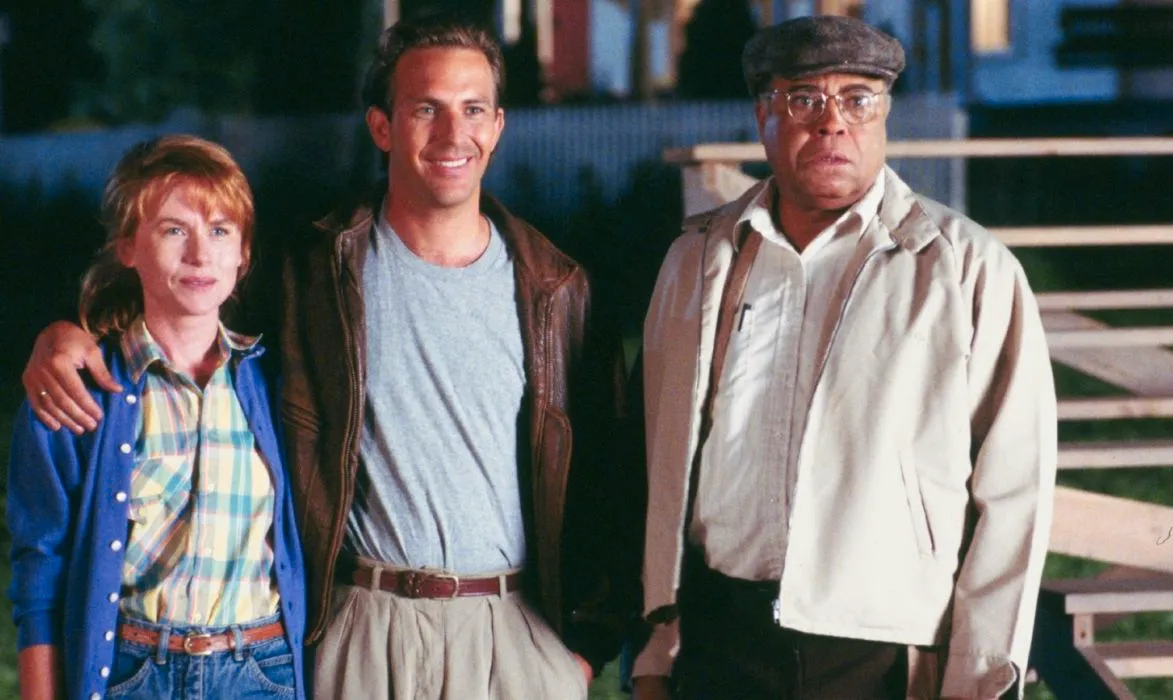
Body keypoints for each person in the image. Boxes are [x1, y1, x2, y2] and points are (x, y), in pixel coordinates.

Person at [21, 12, 630, 700]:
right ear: (381, 126)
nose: (453, 133)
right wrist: (66, 336)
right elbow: (187, 306)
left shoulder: (557, 289)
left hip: (514, 633)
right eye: (425, 108)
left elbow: (613, 478)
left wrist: (583, 651)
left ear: (497, 126)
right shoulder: (310, 270)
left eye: (473, 109)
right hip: (364, 627)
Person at [630, 16, 1056, 700]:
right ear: (763, 113)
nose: (833, 124)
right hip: (720, 640)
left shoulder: (969, 270)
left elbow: (1014, 499)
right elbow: (661, 462)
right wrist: (657, 648)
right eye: (804, 98)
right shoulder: (698, 260)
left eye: (858, 100)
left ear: (884, 115)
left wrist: (980, 679)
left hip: (878, 653)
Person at [8, 135, 307, 700]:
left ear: (243, 253)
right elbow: (39, 572)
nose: (200, 255)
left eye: (220, 231)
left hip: (260, 673)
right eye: (174, 230)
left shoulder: (279, 384)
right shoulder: (76, 390)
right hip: (133, 673)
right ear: (127, 246)